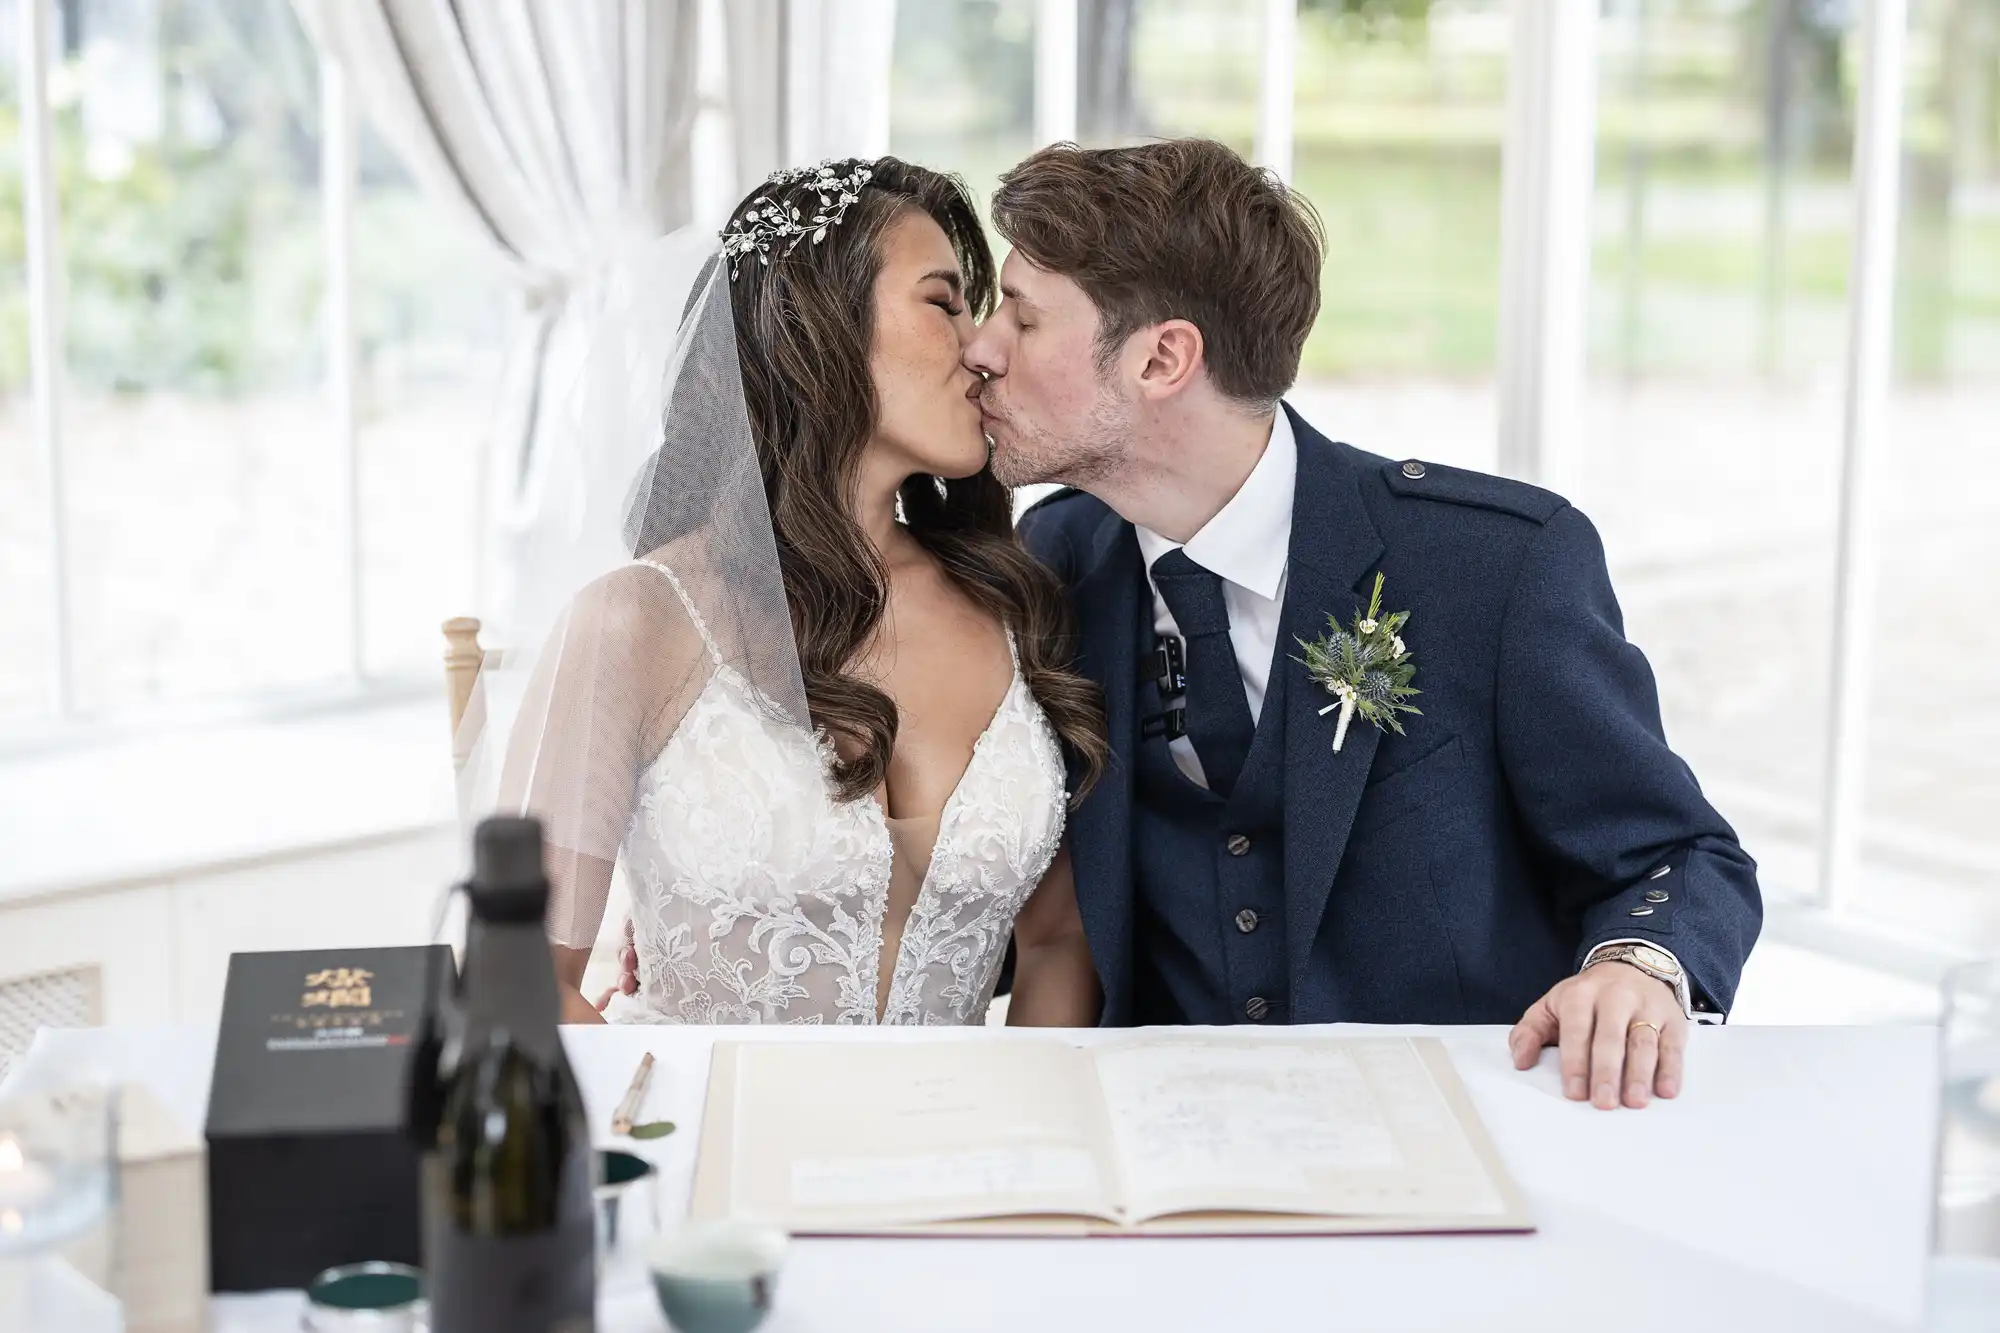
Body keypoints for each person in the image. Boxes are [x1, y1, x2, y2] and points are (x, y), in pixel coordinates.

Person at [963, 139, 1762, 1110]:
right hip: (1163, 1154)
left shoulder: (1495, 567)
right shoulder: (1055, 563)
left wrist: (1637, 967)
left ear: (1162, 357)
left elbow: (1674, 854)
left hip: (1460, 1143)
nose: (980, 346)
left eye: (1021, 314)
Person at [476, 158, 1107, 1027]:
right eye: (943, 301)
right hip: (713, 1139)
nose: (983, 348)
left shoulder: (1013, 603)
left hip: (964, 1146)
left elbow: (1054, 943)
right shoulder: (639, 620)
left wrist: (1026, 1148)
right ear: (822, 332)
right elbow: (515, 980)